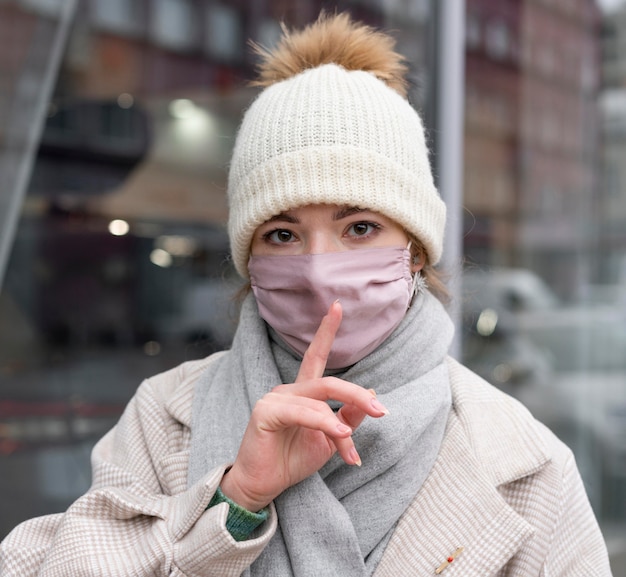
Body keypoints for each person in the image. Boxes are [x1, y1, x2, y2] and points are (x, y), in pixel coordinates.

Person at [0, 12, 613, 577]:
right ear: (248, 259)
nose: (319, 271)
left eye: (360, 228)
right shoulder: (167, 416)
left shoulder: (523, 464)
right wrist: (234, 500)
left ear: (418, 250)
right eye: (283, 233)